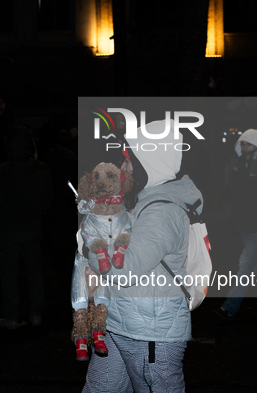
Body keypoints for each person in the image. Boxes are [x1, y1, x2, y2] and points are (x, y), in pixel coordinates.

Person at [83, 119, 202, 393]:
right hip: (120, 323)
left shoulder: (161, 211)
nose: (123, 168)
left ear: (151, 162)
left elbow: (122, 270)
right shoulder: (143, 200)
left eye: (129, 160)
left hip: (150, 333)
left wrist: (90, 245)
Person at [0, 126, 52, 329]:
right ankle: (36, 314)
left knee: (9, 274)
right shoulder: (42, 169)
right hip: (32, 225)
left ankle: (12, 316)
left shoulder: (3, 170)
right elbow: (48, 199)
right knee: (35, 271)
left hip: (8, 228)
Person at [214, 129, 257, 320]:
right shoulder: (238, 164)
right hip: (244, 223)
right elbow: (235, 194)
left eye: (249, 144)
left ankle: (229, 306)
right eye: (242, 144)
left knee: (245, 265)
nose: (245, 147)